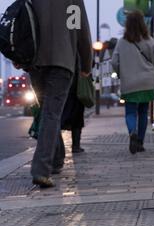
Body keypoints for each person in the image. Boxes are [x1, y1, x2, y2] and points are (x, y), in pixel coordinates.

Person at [29, 0, 92, 188]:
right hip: (61, 60)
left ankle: (56, 159)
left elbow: (24, 18)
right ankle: (41, 169)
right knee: (51, 113)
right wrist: (86, 64)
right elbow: (80, 31)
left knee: (47, 112)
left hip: (35, 62)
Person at [111, 11, 154, 155]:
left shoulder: (121, 42)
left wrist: (121, 73)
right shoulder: (150, 41)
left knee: (130, 111)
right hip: (147, 82)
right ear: (143, 24)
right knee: (143, 112)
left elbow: (114, 61)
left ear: (127, 24)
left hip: (129, 83)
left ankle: (132, 134)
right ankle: (140, 143)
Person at [61, 60, 86, 154]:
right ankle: (76, 146)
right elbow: (88, 61)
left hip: (61, 83)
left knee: (57, 117)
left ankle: (55, 147)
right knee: (77, 118)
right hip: (77, 86)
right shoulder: (79, 47)